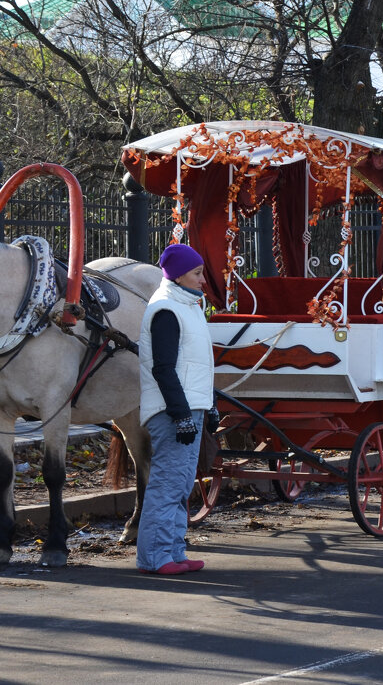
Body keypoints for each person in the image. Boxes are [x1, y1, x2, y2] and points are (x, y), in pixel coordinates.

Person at [135, 242, 215, 575]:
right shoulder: (166, 309)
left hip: (187, 407)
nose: (202, 279)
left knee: (180, 484)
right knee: (167, 484)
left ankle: (174, 552)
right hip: (172, 412)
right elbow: (163, 368)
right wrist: (182, 414)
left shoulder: (187, 305)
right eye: (197, 273)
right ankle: (155, 557)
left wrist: (207, 407)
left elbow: (195, 365)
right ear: (180, 274)